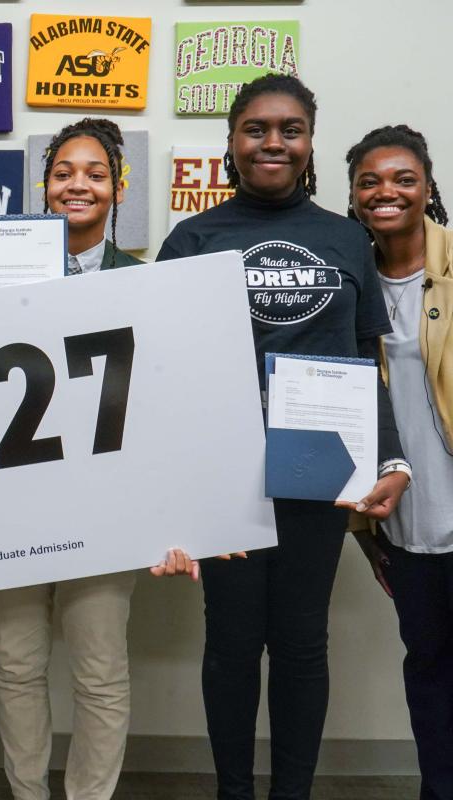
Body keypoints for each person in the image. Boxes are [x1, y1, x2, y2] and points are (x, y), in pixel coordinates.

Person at [156, 74, 410, 800]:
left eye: (290, 129)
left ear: (308, 144)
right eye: (257, 129)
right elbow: (165, 371)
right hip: (224, 470)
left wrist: (389, 456)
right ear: (232, 143)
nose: (274, 142)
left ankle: (291, 793)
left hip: (317, 467)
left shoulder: (344, 237)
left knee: (301, 644)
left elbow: (368, 363)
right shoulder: (194, 238)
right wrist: (174, 488)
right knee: (232, 645)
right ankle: (233, 791)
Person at [0, 118, 142, 800]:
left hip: (106, 502)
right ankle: (27, 795)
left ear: (116, 188)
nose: (78, 184)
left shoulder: (147, 283)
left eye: (95, 173)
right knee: (15, 662)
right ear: (43, 185)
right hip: (17, 502)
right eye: (63, 173)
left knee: (100, 670)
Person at [345, 125, 453, 800]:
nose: (386, 192)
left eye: (403, 178)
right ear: (354, 195)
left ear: (428, 188)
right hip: (406, 528)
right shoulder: (347, 281)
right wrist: (367, 537)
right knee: (430, 672)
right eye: (370, 181)